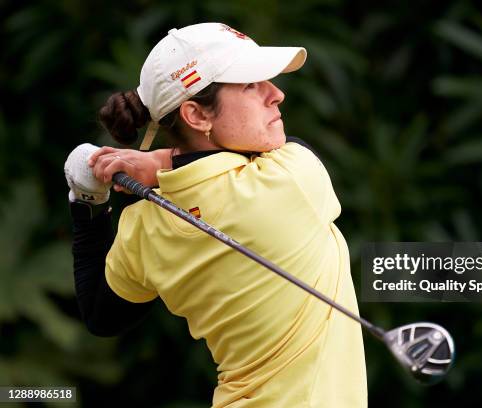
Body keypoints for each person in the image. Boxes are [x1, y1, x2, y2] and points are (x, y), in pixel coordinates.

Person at [64, 22, 367, 407]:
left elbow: (101, 315)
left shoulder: (143, 228)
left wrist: (87, 198)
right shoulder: (292, 180)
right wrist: (158, 161)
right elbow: (294, 146)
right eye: (250, 86)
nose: (277, 94)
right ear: (196, 115)